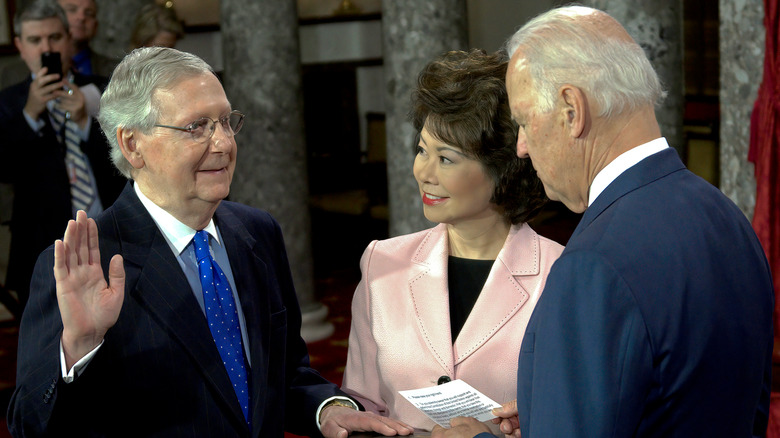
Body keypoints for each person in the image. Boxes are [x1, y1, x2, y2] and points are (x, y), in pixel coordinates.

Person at [7, 46, 414, 438]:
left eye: (225, 121)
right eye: (196, 127)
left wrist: (329, 410)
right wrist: (77, 348)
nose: (223, 143)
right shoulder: (86, 264)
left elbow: (284, 375)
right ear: (133, 145)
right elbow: (29, 424)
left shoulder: (258, 232)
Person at [431, 6, 774, 438]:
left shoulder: (592, 265)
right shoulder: (728, 219)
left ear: (571, 110)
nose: (520, 147)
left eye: (523, 121)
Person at [341, 49, 563, 433]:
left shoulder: (560, 276)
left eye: (446, 159)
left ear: (503, 169)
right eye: (422, 151)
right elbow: (363, 408)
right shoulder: (381, 262)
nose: (424, 172)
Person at [0, 0, 124, 313]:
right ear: (20, 46)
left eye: (55, 38)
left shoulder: (101, 90)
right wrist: (30, 115)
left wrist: (85, 121)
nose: (46, 48)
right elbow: (5, 170)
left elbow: (126, 163)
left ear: (69, 39)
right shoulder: (8, 103)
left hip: (110, 234)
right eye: (35, 40)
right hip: (41, 248)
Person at [0, 0, 116, 89]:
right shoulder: (13, 74)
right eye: (72, 9)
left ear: (96, 25)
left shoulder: (117, 70)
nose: (81, 17)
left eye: (89, 13)